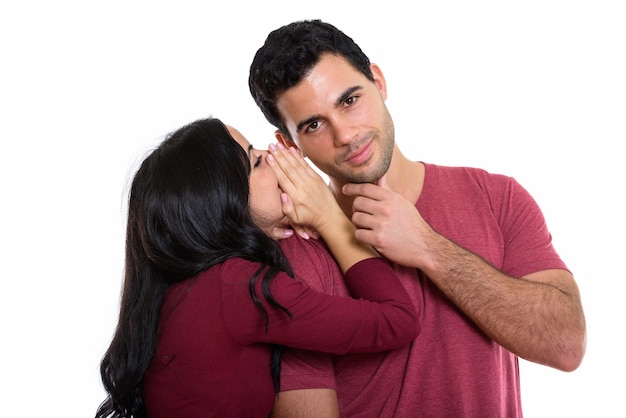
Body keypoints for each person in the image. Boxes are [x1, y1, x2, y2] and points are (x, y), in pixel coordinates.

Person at [248, 19, 587, 417]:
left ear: (378, 81)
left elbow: (566, 345)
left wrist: (429, 247)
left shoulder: (497, 197)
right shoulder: (295, 255)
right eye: (314, 124)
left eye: (350, 100)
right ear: (290, 144)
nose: (345, 135)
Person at [95, 117, 422, 418]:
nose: (274, 155)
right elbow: (398, 319)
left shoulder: (190, 287)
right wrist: (330, 218)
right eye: (256, 161)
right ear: (227, 205)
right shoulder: (238, 287)